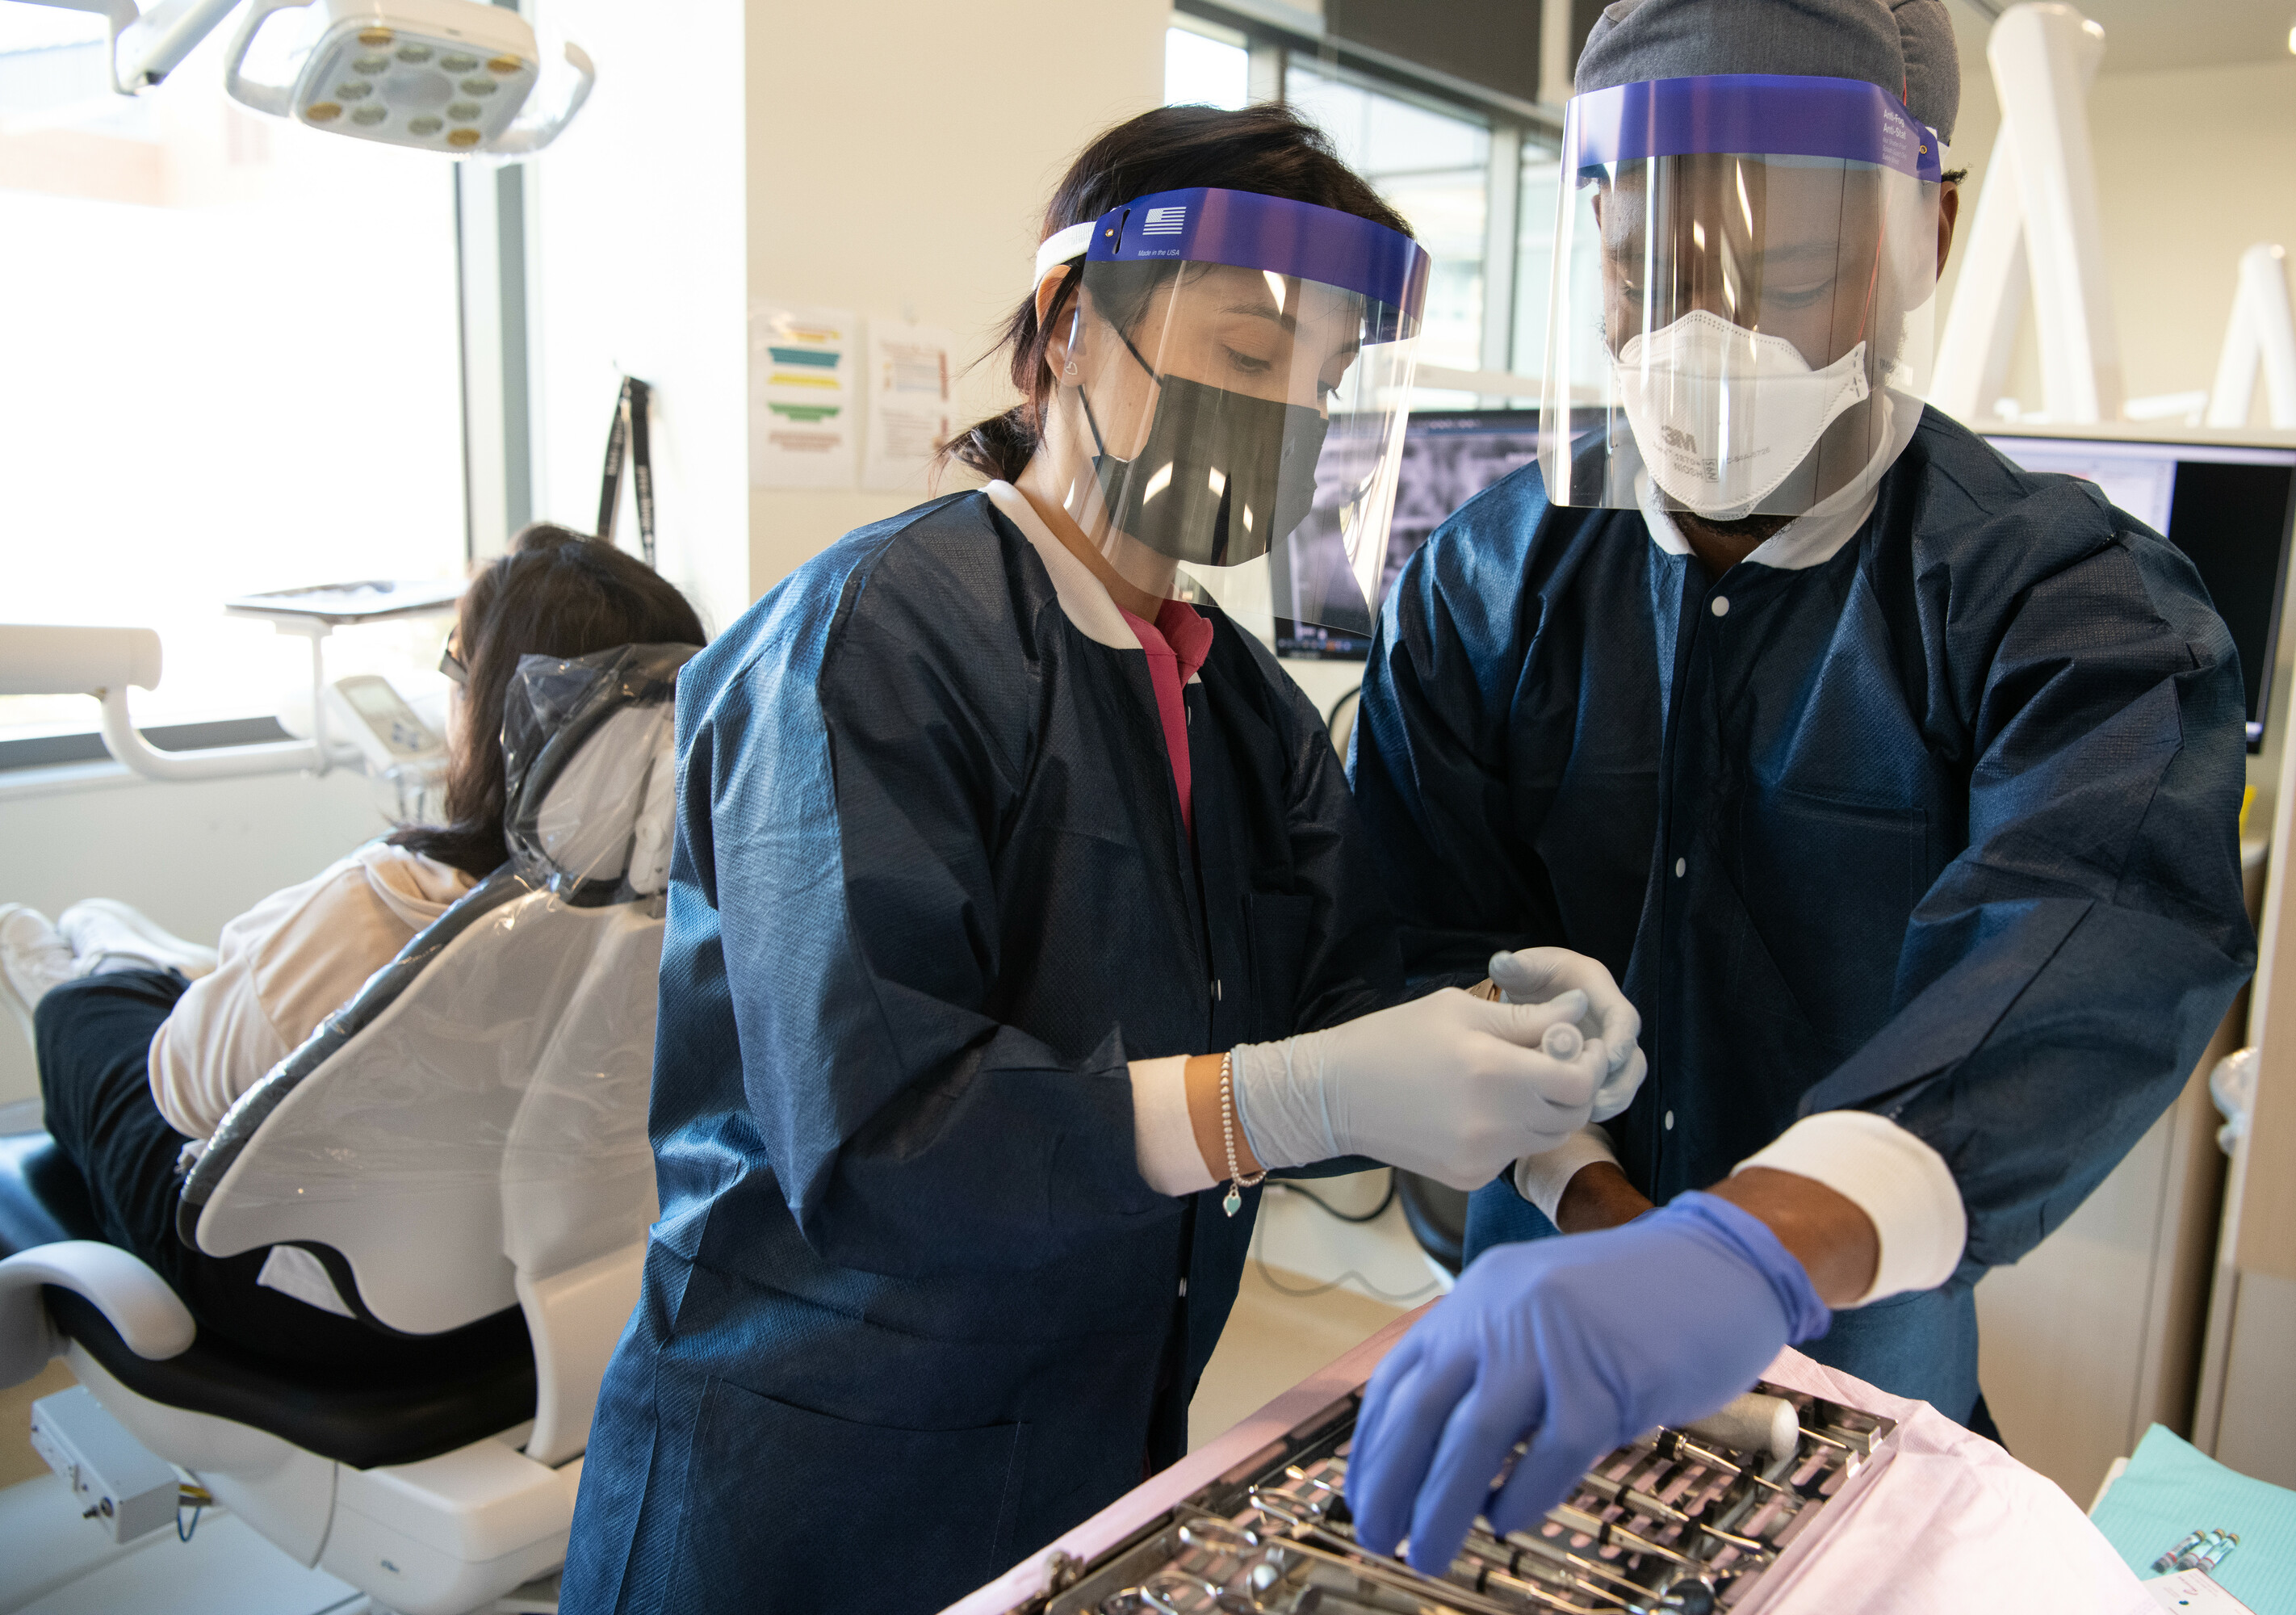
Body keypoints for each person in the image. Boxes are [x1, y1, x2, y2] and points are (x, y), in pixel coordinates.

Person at [560, 104, 1638, 1615]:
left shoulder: (1241, 705)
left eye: (1323, 383)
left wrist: (1500, 1043)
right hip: (809, 1478)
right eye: (1248, 359)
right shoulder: (867, 645)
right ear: (1068, 332)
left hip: (1093, 1448)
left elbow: (1334, 1022)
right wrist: (1286, 1094)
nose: (1288, 416)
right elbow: (881, 1146)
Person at [1343, 0, 2258, 1575]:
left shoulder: (2062, 600)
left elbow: (2080, 953)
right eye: (1646, 271)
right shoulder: (1487, 576)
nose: (1704, 333)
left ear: (1928, 234)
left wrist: (1744, 1250)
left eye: (1778, 273)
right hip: (1528, 1286)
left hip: (1846, 1323)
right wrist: (1592, 1201)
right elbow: (1432, 932)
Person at [0, 524, 706, 1367]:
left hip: (316, 1316)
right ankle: (137, 956)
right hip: (540, 1305)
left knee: (91, 1016)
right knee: (193, 986)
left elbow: (185, 1095)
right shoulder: (690, 916)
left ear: (497, 710)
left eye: (458, 672)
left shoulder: (380, 910)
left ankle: (80, 968)